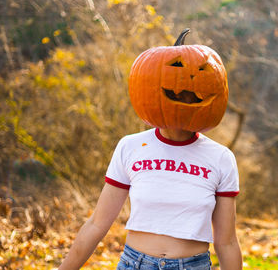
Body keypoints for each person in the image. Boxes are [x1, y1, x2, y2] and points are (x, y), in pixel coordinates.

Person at [58, 29, 242, 270]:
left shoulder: (221, 158)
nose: (187, 88)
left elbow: (226, 242)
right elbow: (96, 224)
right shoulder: (130, 147)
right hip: (135, 264)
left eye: (200, 75)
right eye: (176, 71)